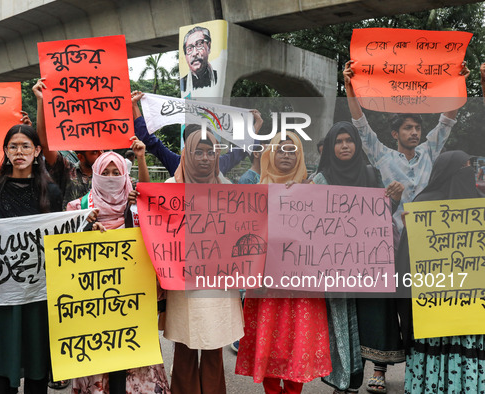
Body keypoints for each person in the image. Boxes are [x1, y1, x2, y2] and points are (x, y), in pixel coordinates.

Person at [235, 132, 332, 394]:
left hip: (302, 285)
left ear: (300, 156)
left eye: (292, 151)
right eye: (281, 150)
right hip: (266, 283)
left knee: (298, 343)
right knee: (269, 343)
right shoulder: (255, 192)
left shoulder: (313, 192)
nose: (286, 155)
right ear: (271, 154)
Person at [312, 122, 404, 394]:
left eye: (349, 141)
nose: (344, 146)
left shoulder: (371, 173)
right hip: (337, 266)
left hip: (369, 263)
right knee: (344, 320)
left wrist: (394, 200)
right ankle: (346, 380)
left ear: (357, 145)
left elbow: (381, 213)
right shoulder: (320, 179)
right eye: (338, 141)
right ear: (330, 147)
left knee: (374, 315)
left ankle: (378, 370)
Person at [69, 150, 170, 394]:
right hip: (94, 303)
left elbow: (160, 240)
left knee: (133, 358)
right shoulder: (77, 208)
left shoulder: (139, 207)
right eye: (105, 173)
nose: (112, 177)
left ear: (126, 175)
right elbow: (66, 255)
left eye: (117, 173)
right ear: (95, 174)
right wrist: (84, 225)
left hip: (133, 301)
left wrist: (142, 213)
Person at [0, 124, 62, 394]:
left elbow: (60, 234)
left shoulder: (52, 190)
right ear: (5, 151)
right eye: (13, 146)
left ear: (37, 150)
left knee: (36, 356)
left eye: (25, 146)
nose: (19, 152)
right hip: (3, 288)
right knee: (5, 357)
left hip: (39, 288)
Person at [343, 60, 469, 233]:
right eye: (408, 128)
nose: (415, 133)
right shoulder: (382, 156)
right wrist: (349, 88)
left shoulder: (428, 152)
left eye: (417, 128)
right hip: (393, 235)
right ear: (395, 134)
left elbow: (446, 123)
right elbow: (361, 126)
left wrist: (458, 83)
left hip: (427, 234)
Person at [164, 129, 244, 394]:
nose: (205, 158)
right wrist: (138, 201)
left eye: (211, 153)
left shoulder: (228, 190)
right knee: (185, 345)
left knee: (214, 344)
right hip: (183, 282)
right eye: (198, 152)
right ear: (187, 154)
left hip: (218, 283)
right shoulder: (169, 189)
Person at [397, 151, 483, 393]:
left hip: (470, 313)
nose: (469, 172)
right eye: (463, 168)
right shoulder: (422, 208)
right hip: (432, 315)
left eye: (470, 166)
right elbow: (406, 264)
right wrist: (412, 233)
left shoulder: (479, 208)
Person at [131, 91, 261, 177]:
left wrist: (257, 126)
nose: (205, 158)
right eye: (198, 151)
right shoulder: (177, 164)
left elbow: (243, 148)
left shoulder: (219, 164)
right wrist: (134, 106)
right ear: (187, 148)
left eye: (209, 151)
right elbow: (150, 141)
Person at [33, 78, 103, 208]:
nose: (101, 154)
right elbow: (45, 143)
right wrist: (41, 101)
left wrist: (140, 157)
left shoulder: (110, 173)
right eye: (94, 152)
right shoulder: (66, 170)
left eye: (102, 150)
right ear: (80, 156)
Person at [180, 26, 218, 92]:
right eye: (189, 49)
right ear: (185, 55)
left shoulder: (219, 78)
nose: (194, 53)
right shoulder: (183, 84)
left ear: (208, 47)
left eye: (199, 44)